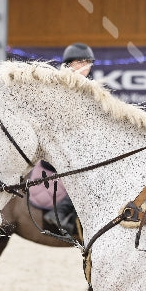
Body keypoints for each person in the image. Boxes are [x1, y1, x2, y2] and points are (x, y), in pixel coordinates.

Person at [42, 42, 96, 235]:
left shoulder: (91, 89)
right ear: (69, 64)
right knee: (88, 173)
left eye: (87, 62)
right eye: (79, 62)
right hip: (59, 143)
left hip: (81, 142)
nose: (84, 66)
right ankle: (61, 211)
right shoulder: (60, 87)